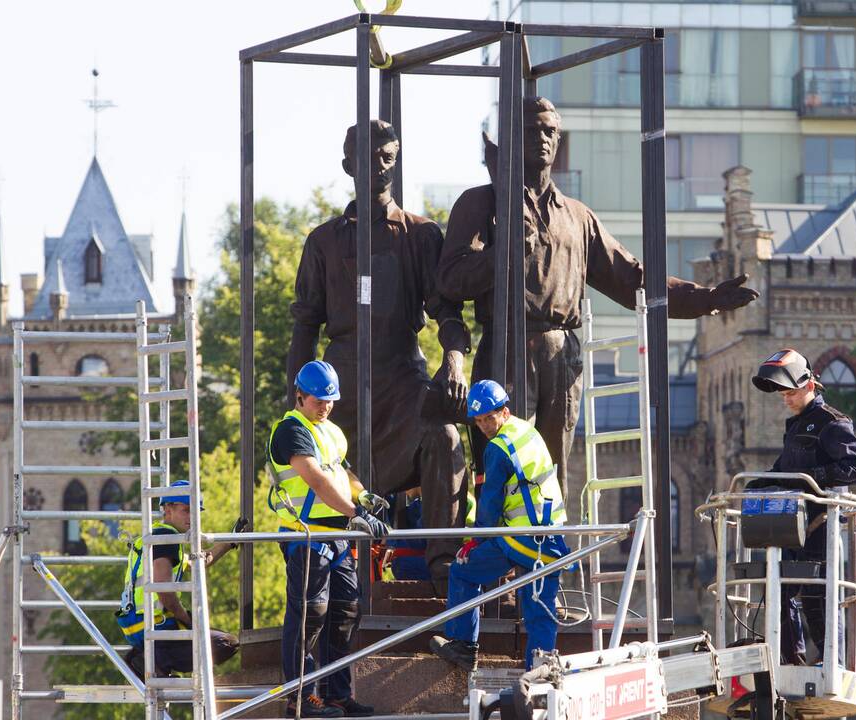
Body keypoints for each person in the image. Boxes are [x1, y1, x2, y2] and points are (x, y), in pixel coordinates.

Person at [437, 97, 759, 497]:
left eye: (550, 131)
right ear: (514, 139)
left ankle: (548, 551)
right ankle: (499, 551)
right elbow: (450, 280)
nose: (542, 138)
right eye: (533, 131)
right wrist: (503, 253)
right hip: (507, 347)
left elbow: (632, 279)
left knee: (551, 473)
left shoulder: (577, 216)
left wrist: (705, 298)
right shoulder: (481, 203)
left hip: (562, 355)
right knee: (501, 463)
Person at [288, 119, 472, 589]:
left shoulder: (420, 234)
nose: (381, 167)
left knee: (445, 439)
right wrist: (296, 401)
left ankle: (443, 564)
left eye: (389, 157)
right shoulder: (323, 241)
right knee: (315, 460)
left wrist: (455, 357)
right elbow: (305, 324)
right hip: (341, 385)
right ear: (349, 165)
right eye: (371, 158)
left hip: (401, 376)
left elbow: (447, 312)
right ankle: (331, 569)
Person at [268, 360, 392, 718]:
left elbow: (341, 470)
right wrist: (357, 514)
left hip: (335, 538)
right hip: (306, 537)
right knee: (310, 614)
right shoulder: (291, 430)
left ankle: (337, 694)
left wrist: (363, 495)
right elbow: (316, 481)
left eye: (330, 400)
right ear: (300, 396)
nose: (326, 406)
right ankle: (301, 699)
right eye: (319, 400)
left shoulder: (330, 430)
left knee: (345, 613)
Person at [430, 380, 569, 673]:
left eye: (488, 418)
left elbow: (490, 504)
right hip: (549, 536)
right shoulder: (526, 431)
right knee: (540, 611)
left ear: (504, 411)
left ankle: (464, 646)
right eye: (478, 421)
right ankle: (539, 674)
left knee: (462, 570)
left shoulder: (498, 447)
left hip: (522, 539)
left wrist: (477, 541)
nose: (484, 426)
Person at [749, 349, 856, 666]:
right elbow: (782, 471)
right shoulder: (796, 427)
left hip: (820, 525)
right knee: (780, 591)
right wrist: (754, 485)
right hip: (790, 524)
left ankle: (831, 661)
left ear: (809, 386)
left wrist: (812, 480)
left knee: (820, 595)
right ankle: (791, 657)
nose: (786, 399)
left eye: (790, 393)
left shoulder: (832, 423)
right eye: (783, 395)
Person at [116, 480, 243, 678]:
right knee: (224, 644)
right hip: (153, 624)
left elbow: (198, 562)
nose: (192, 518)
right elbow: (163, 589)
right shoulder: (166, 537)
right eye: (186, 510)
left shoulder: (157, 537)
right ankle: (154, 661)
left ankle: (150, 660)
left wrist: (230, 542)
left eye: (196, 512)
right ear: (168, 509)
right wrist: (186, 619)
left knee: (214, 637)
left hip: (139, 624)